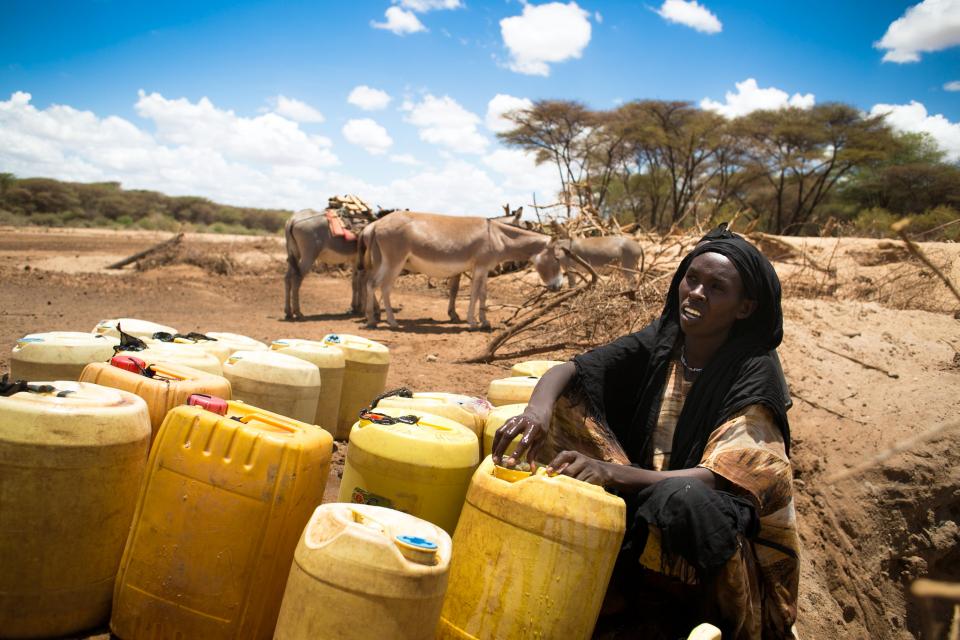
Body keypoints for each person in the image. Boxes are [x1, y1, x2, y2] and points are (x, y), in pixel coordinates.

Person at [491, 230, 799, 640]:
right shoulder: (667, 339)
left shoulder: (755, 371)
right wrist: (536, 414)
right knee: (566, 405)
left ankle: (698, 617)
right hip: (645, 494)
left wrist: (611, 473)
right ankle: (622, 587)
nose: (696, 293)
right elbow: (572, 370)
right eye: (692, 279)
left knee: (681, 500)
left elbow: (723, 477)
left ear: (744, 308)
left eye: (716, 288)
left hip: (714, 531)